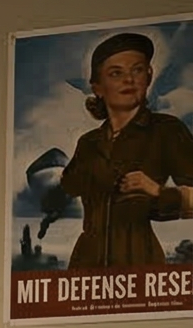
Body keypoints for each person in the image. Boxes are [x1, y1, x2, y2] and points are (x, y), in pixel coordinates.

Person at [60, 30, 193, 271]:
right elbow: (67, 187)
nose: (129, 80)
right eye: (116, 73)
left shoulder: (168, 131)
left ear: (149, 75)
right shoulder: (88, 143)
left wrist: (155, 190)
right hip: (85, 265)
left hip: (140, 262)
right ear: (98, 87)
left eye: (137, 70)